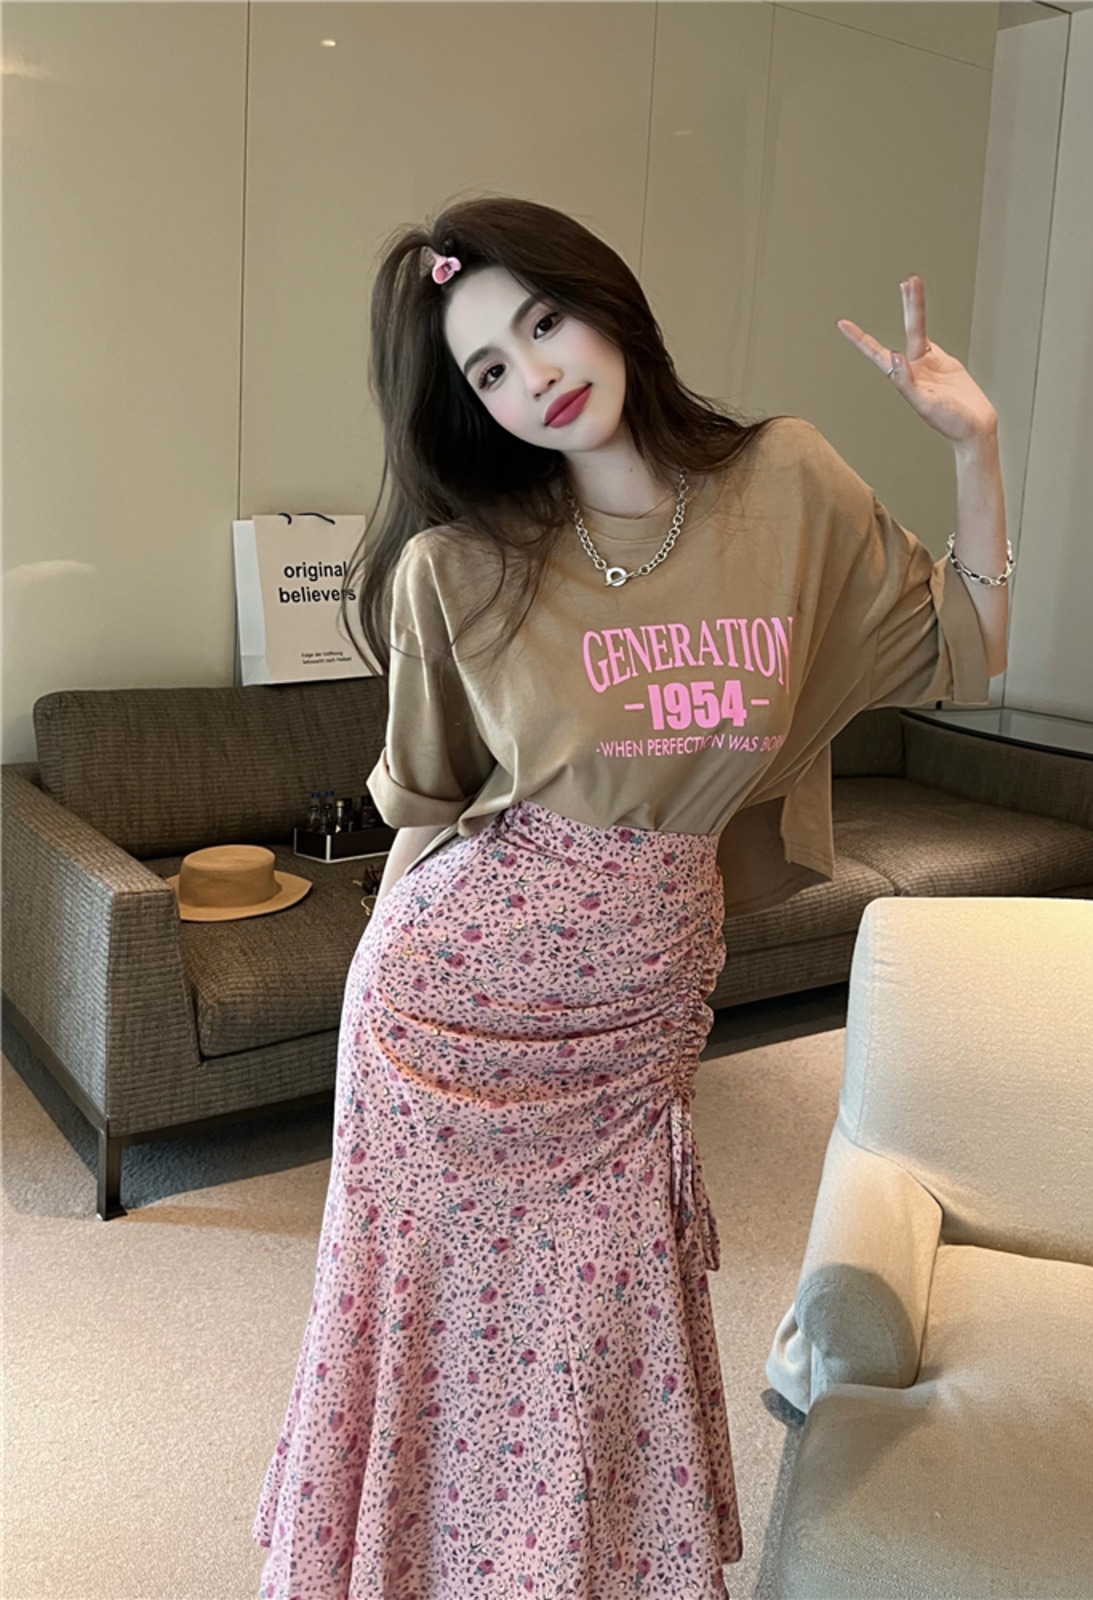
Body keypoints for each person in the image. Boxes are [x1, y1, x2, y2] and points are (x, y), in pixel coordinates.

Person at [253, 195, 1011, 1599]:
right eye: (491, 367)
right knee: (422, 1329)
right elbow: (426, 816)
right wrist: (369, 1002)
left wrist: (975, 446)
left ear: (605, 301)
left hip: (636, 1018)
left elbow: (967, 642)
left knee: (602, 1328)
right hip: (439, 1014)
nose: (536, 374)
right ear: (473, 407)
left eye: (544, 321)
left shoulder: (787, 484)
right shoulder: (459, 567)